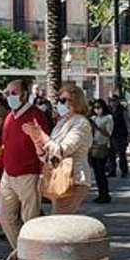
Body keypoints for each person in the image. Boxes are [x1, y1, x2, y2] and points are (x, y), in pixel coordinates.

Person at [0, 79, 51, 247]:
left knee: (30, 221)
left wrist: (41, 175)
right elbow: (5, 146)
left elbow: (44, 146)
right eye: (8, 93)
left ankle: (31, 258)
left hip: (29, 175)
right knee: (5, 217)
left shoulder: (36, 116)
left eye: (14, 93)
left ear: (24, 94)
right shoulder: (9, 117)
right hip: (8, 175)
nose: (10, 97)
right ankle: (21, 252)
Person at [23, 83, 94, 214]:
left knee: (60, 219)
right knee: (60, 219)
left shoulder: (81, 123)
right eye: (59, 100)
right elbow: (48, 155)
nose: (59, 104)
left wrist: (41, 134)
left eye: (63, 100)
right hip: (58, 176)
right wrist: (36, 139)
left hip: (74, 178)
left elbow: (62, 150)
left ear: (75, 102)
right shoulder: (61, 123)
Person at [89, 99, 115, 203]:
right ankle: (100, 193)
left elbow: (108, 133)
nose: (97, 110)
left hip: (103, 145)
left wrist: (97, 127)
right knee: (96, 172)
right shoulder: (93, 118)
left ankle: (105, 193)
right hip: (93, 145)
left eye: (99, 107)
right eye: (95, 107)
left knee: (101, 171)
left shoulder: (108, 118)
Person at [109, 95, 130, 178]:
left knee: (121, 154)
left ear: (118, 101)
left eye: (114, 100)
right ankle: (112, 170)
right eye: (111, 100)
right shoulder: (109, 111)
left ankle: (124, 171)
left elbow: (128, 123)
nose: (112, 102)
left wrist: (129, 135)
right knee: (111, 154)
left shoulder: (122, 111)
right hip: (111, 135)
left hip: (121, 136)